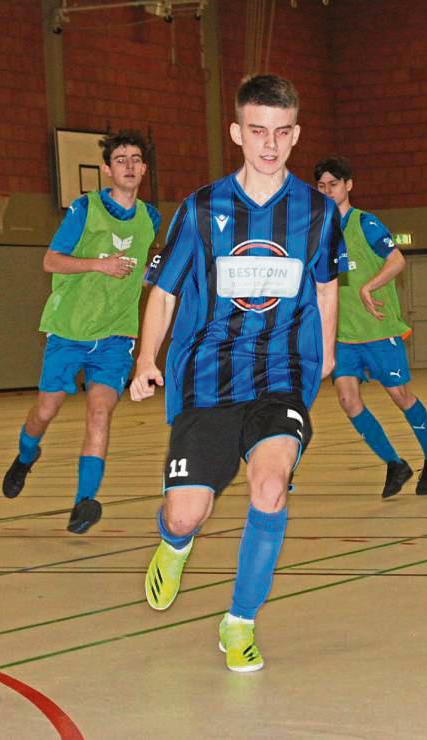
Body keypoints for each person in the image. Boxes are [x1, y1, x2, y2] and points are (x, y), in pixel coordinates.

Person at [130, 74, 345, 673]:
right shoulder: (201, 209)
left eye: (281, 133)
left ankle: (239, 622)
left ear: (296, 135)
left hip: (283, 375)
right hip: (207, 380)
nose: (269, 145)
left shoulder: (318, 213)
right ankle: (174, 543)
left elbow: (326, 285)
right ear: (236, 133)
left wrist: (325, 352)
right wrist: (146, 358)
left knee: (270, 486)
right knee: (185, 513)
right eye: (257, 132)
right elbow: (165, 291)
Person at [1, 130, 160, 534]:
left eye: (135, 159)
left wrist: (156, 277)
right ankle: (25, 456)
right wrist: (98, 264)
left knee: (100, 412)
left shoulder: (151, 218)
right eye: (120, 159)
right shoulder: (85, 209)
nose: (128, 165)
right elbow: (51, 261)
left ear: (144, 168)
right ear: (106, 169)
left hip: (115, 337)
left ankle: (84, 501)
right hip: (69, 331)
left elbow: (138, 274)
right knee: (46, 410)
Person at [314, 156, 427, 497]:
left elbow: (397, 260)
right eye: (322, 186)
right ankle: (394, 463)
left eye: (334, 184)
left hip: (378, 330)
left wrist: (368, 286)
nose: (328, 191)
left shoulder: (365, 224)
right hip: (343, 336)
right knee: (347, 399)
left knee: (401, 396)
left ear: (348, 185)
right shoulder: (318, 233)